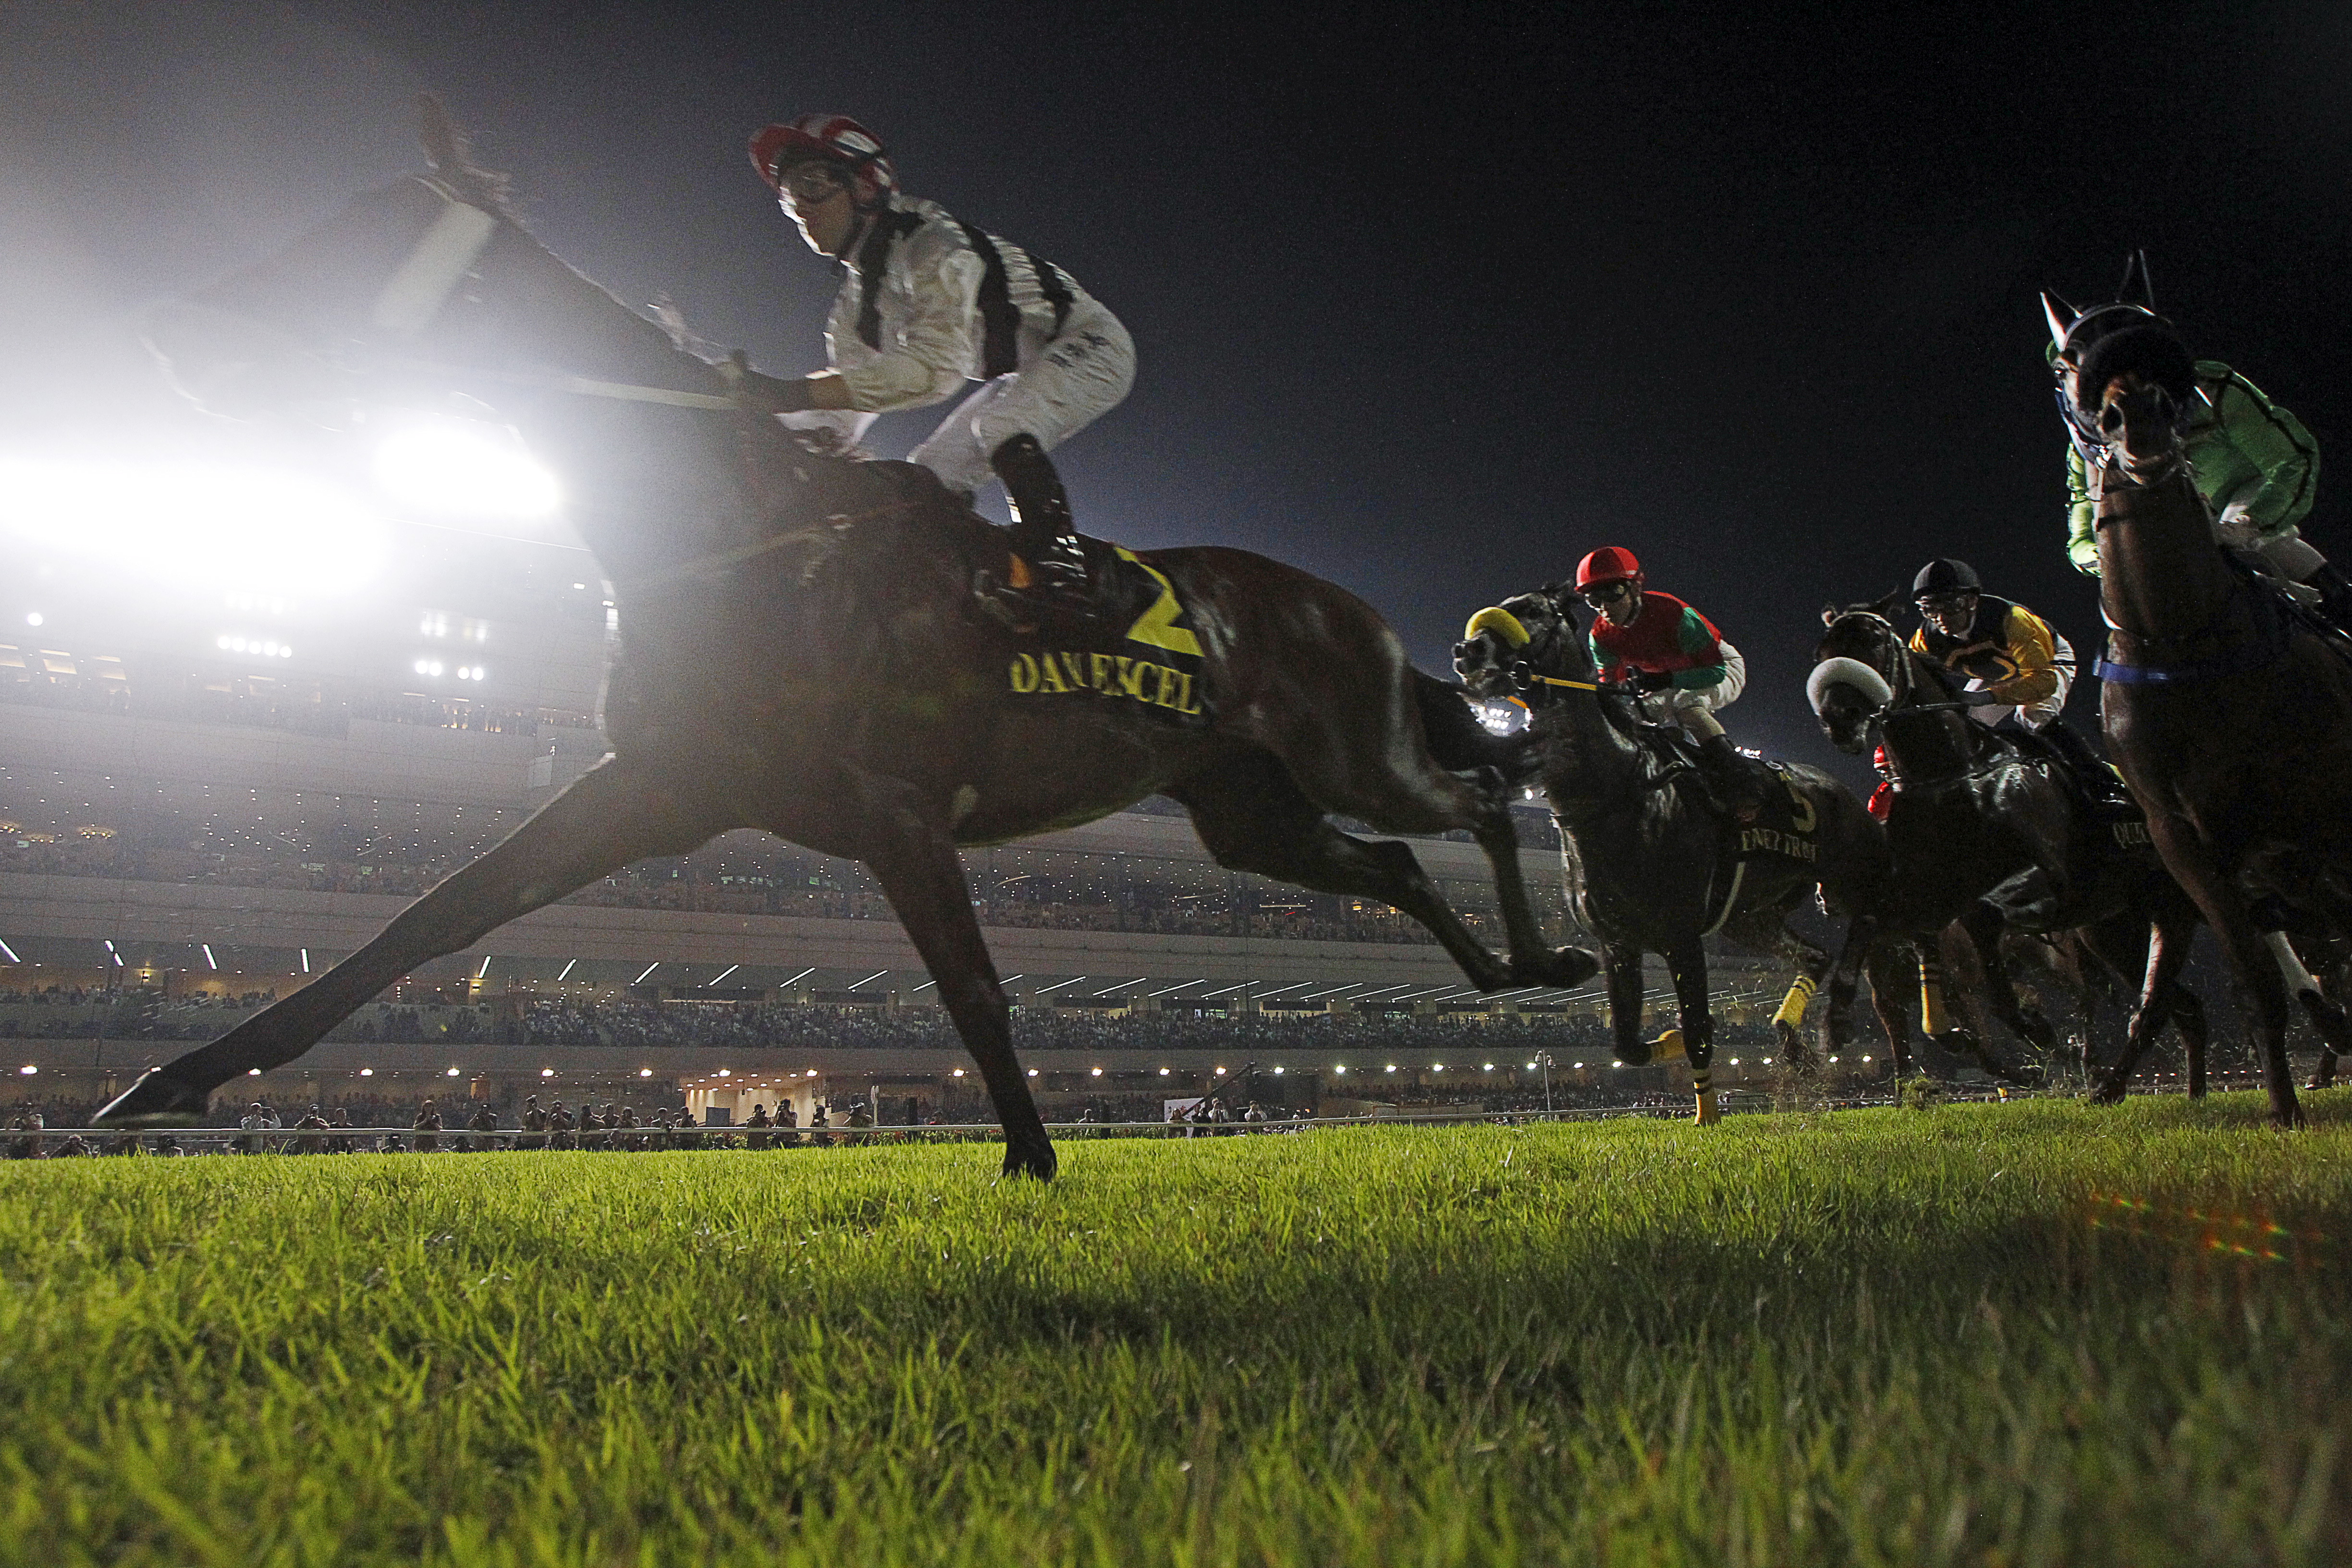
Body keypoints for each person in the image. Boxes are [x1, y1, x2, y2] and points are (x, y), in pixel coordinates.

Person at [741, 114, 1137, 625]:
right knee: (932, 474)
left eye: (812, 186)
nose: (800, 210)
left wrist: (790, 393)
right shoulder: (855, 300)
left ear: (865, 186)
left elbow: (935, 375)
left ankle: (1062, 577)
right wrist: (751, 413)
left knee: (1004, 426)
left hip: (1092, 343)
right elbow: (843, 411)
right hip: (1023, 367)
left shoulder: (932, 244)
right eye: (789, 197)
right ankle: (967, 591)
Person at [2051, 289, 2350, 629]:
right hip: (2166, 535)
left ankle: (2337, 601)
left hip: (2238, 504)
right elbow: (2080, 542)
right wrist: (2111, 556)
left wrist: (2250, 526)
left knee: (2260, 550)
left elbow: (2293, 460)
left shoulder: (2214, 389)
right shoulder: (2084, 453)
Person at [1907, 558, 2126, 808]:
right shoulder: (1924, 639)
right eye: (1930, 609)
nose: (1941, 617)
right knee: (1964, 725)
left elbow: (2042, 682)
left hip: (2047, 663)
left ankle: (2103, 783)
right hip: (1998, 672)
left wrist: (1985, 697)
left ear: (1971, 601)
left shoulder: (2014, 620)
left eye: (1950, 605)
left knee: (2034, 714)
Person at [1574, 546, 1765, 817]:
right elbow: (1613, 691)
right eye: (1594, 599)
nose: (1605, 607)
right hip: (1668, 678)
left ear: (1635, 588)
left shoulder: (1676, 614)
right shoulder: (1600, 637)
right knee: (1633, 719)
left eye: (1613, 594)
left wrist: (1667, 678)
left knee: (1688, 705)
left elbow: (1714, 672)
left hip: (1719, 665)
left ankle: (1742, 782)